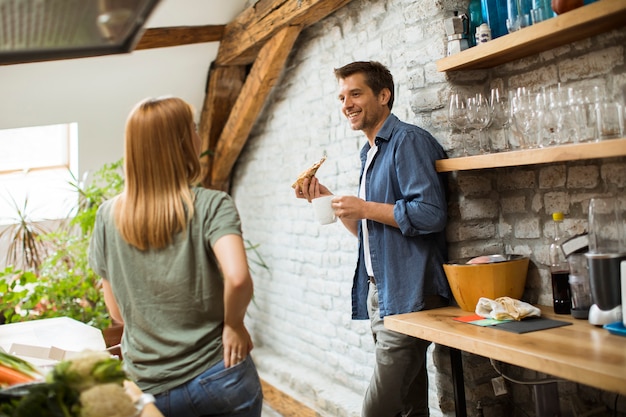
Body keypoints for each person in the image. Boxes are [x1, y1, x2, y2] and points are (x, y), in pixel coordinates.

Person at [88, 96, 263, 417]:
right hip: (219, 372)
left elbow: (118, 313)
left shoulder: (106, 216)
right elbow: (238, 277)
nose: (199, 136)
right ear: (182, 143)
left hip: (150, 389)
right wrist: (235, 325)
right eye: (194, 129)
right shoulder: (212, 204)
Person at [295, 61, 451, 417]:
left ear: (384, 95)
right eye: (341, 97)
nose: (346, 104)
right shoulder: (370, 153)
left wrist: (364, 207)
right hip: (381, 293)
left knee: (376, 411)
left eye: (355, 93)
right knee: (410, 408)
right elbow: (370, 234)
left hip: (410, 293)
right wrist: (329, 200)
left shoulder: (408, 141)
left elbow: (430, 213)